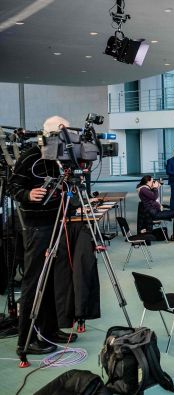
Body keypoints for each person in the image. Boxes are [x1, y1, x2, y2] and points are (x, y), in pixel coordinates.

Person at [8, 116, 78, 356]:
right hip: (37, 226)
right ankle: (27, 339)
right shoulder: (30, 155)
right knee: (34, 281)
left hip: (56, 220)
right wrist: (29, 194)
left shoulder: (60, 157)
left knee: (51, 280)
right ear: (51, 133)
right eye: (64, 132)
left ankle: (49, 329)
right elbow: (12, 186)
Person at [137, 175, 174, 241]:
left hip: (154, 211)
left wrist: (154, 187)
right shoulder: (143, 189)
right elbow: (154, 197)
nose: (153, 183)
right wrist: (155, 188)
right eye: (152, 181)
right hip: (154, 214)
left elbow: (152, 198)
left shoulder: (145, 188)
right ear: (147, 182)